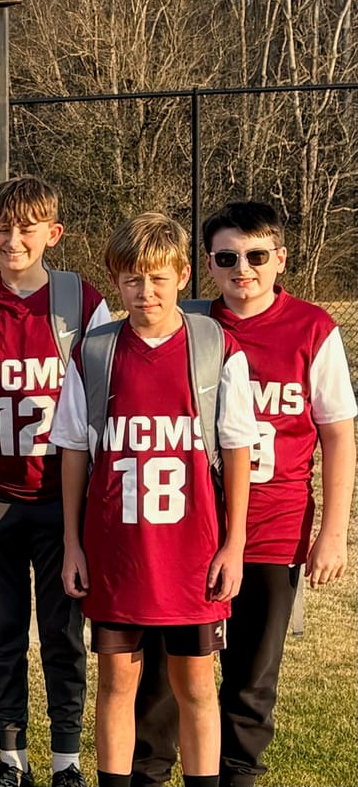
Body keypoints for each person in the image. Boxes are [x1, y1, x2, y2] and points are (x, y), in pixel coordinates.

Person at [127, 202, 355, 787]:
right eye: (227, 258)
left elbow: (337, 434)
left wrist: (333, 532)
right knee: (165, 673)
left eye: (256, 256)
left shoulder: (312, 329)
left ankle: (237, 776)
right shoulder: (189, 324)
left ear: (280, 258)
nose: (242, 269)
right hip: (189, 527)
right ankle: (149, 773)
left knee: (251, 675)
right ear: (208, 265)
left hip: (274, 525)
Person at [52, 213, 256, 787]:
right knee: (117, 682)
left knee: (196, 686)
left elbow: (237, 448)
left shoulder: (215, 347)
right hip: (117, 551)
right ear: (116, 282)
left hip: (192, 551)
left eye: (159, 278)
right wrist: (72, 543)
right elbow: (74, 451)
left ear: (183, 275)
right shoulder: (95, 352)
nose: (146, 292)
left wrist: (234, 544)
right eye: (133, 280)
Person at [0, 176, 109, 787]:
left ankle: (67, 760)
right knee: (2, 630)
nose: (14, 240)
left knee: (64, 633)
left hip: (62, 500)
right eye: (3, 228)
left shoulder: (81, 301)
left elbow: (102, 398)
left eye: (28, 229)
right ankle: (11, 757)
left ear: (53, 234)